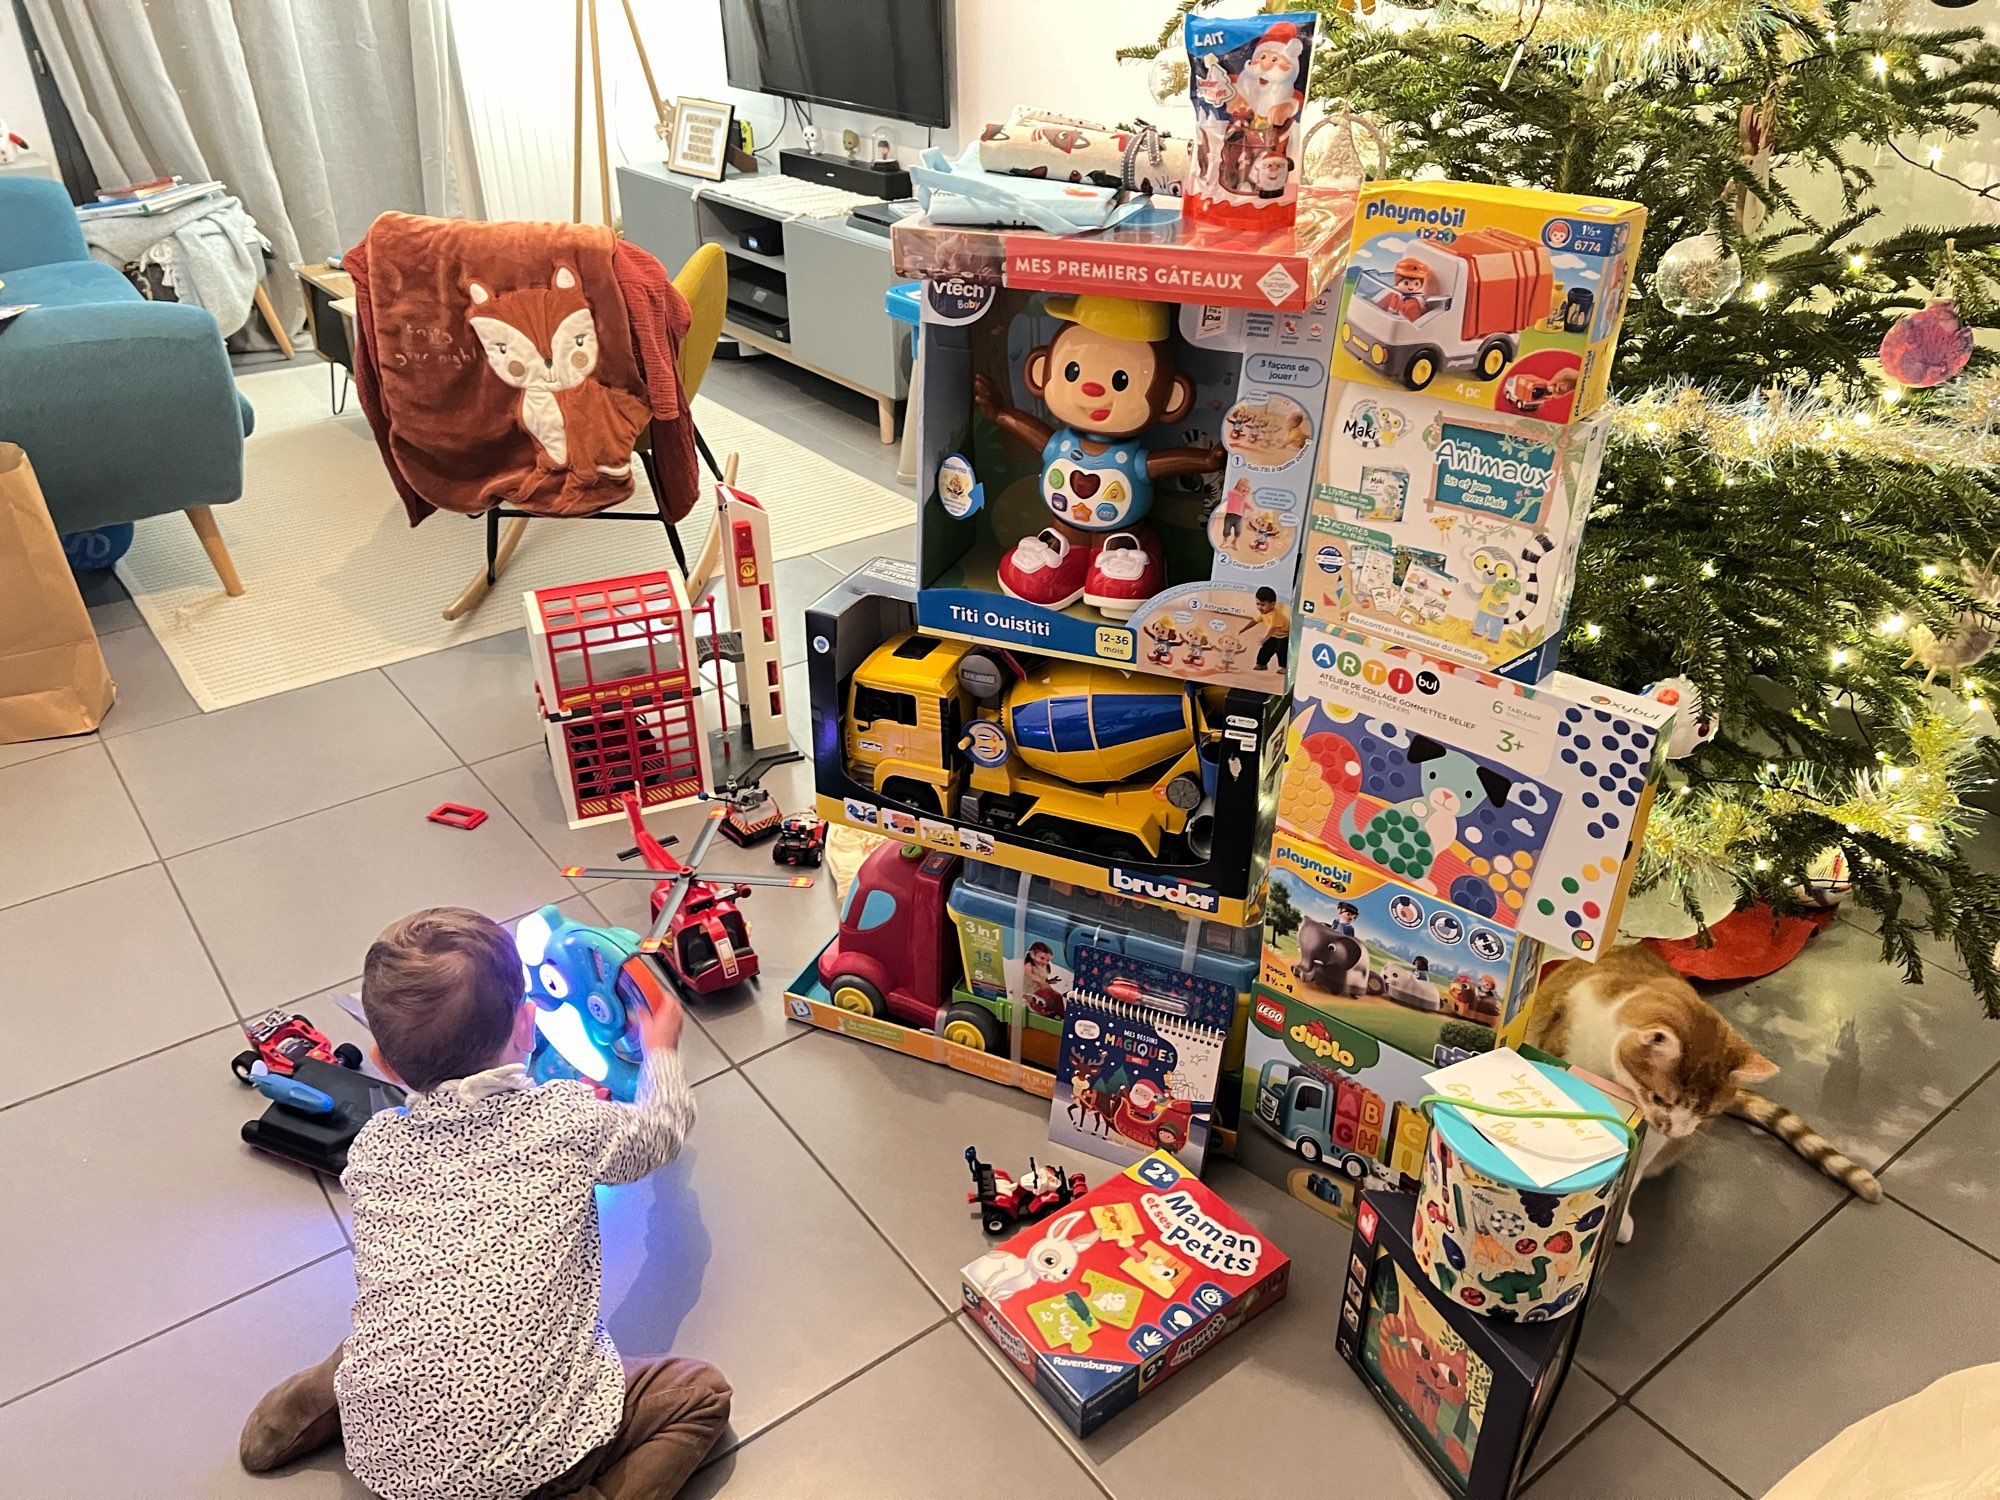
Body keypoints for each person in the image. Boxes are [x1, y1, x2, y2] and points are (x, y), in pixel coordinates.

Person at [237, 907, 729, 1500]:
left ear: (383, 1060)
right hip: (537, 1464)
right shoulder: (566, 1120)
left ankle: (297, 1414)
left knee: (406, 1327)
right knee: (700, 1394)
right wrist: (662, 1051)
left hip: (390, 1459)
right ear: (528, 1026)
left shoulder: (372, 1150)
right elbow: (662, 1132)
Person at [1235, 585, 1291, 672]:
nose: (1259, 607)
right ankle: (1261, 664)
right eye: (1257, 604)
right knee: (1266, 649)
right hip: (1274, 635)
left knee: (1281, 651)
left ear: (1272, 604)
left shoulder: (1274, 615)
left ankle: (1284, 667)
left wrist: (1264, 639)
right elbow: (1255, 620)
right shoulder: (1264, 613)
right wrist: (1244, 629)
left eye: (1263, 605)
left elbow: (1271, 629)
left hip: (1285, 636)